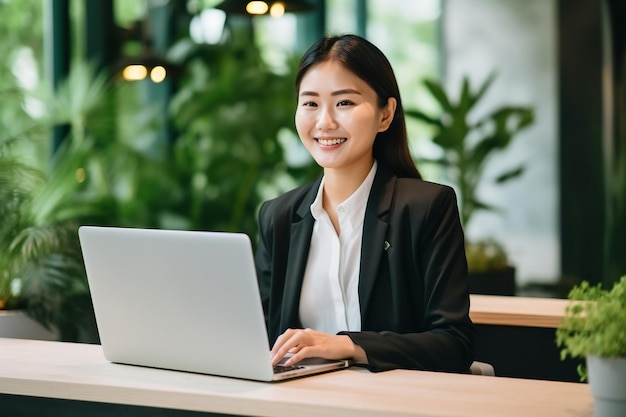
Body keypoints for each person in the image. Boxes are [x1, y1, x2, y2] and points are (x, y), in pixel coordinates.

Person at [254, 34, 474, 373]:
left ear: (385, 115)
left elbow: (453, 344)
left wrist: (347, 345)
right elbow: (262, 339)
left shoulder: (426, 208)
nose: (325, 122)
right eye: (310, 103)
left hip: (394, 403)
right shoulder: (278, 217)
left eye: (344, 103)